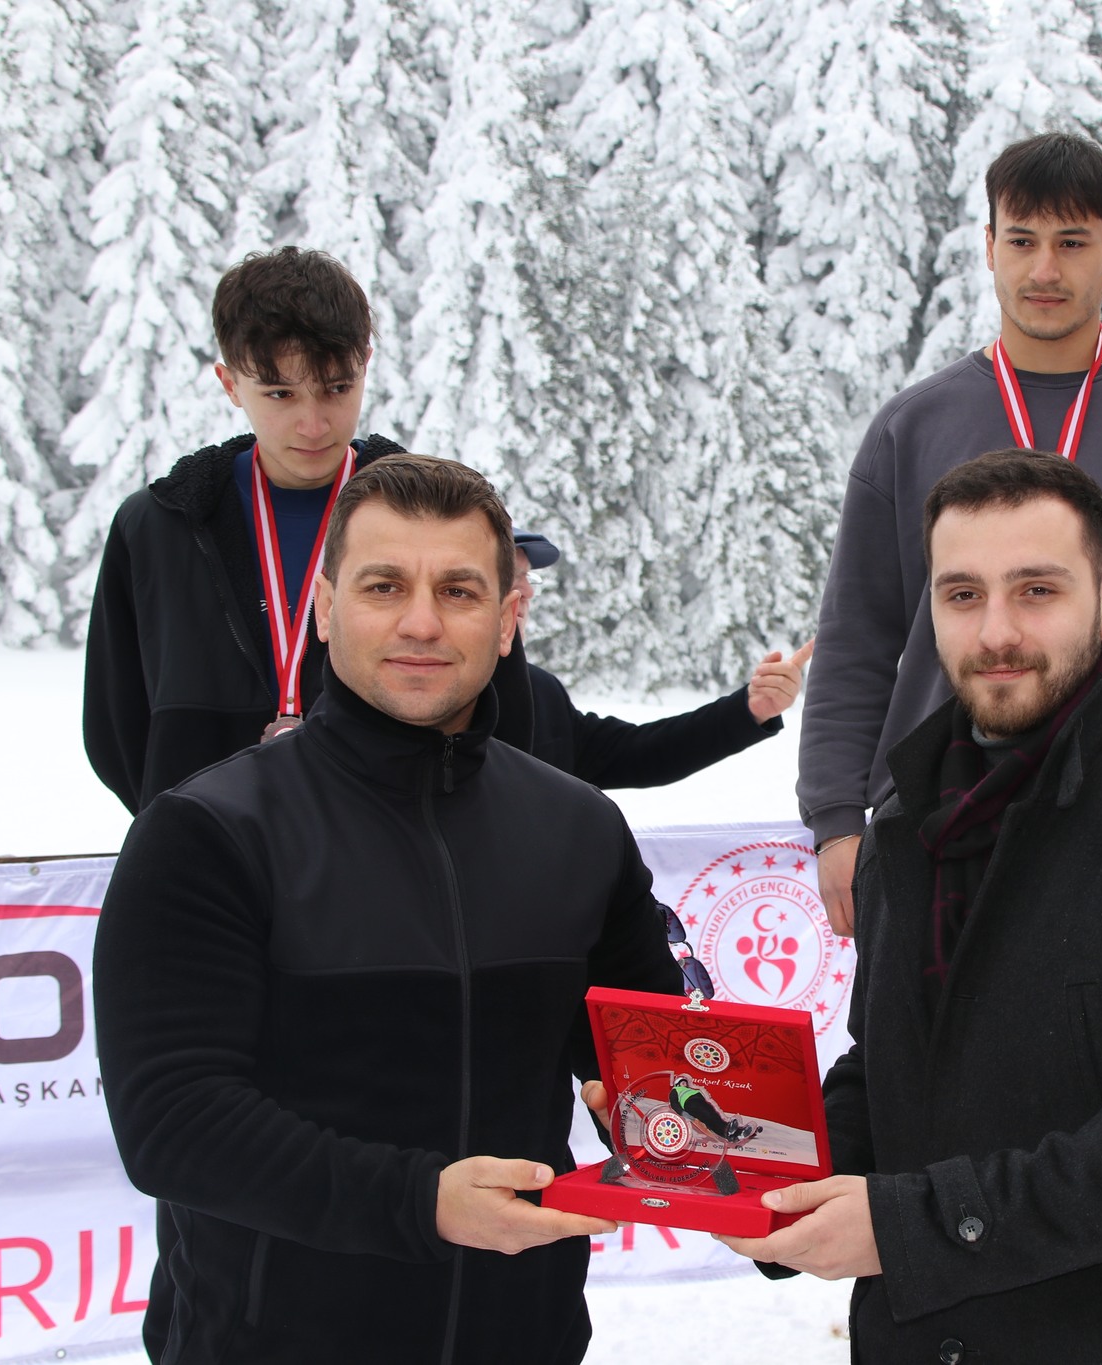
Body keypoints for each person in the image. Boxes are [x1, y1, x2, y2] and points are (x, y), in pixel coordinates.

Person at [720, 450, 1102, 1361]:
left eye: (1037, 590)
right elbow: (889, 1074)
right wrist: (738, 1160)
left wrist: (908, 1226)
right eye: (963, 594)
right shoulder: (905, 825)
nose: (996, 631)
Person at [94, 456, 683, 1363]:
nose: (421, 622)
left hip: (522, 1336)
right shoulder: (208, 830)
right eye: (384, 586)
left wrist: (728, 1158)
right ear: (327, 609)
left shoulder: (578, 826)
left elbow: (655, 1060)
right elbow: (174, 1122)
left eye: (458, 590)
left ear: (507, 620)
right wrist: (421, 1202)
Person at [798, 131, 1102, 935]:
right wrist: (838, 815)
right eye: (1022, 240)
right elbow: (858, 635)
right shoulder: (913, 427)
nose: (1045, 269)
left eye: (1072, 242)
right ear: (989, 247)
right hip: (935, 819)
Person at [82, 247, 532, 815]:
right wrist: (179, 817)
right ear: (229, 383)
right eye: (280, 394)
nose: (314, 424)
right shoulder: (158, 525)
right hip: (207, 846)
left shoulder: (442, 515)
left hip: (397, 845)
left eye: (337, 388)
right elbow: (115, 729)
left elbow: (499, 709)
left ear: (365, 366)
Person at [510, 528, 811, 786]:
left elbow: (639, 752)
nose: (527, 592)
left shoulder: (540, 692)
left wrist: (748, 709)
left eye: (527, 577)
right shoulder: (478, 700)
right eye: (510, 576)